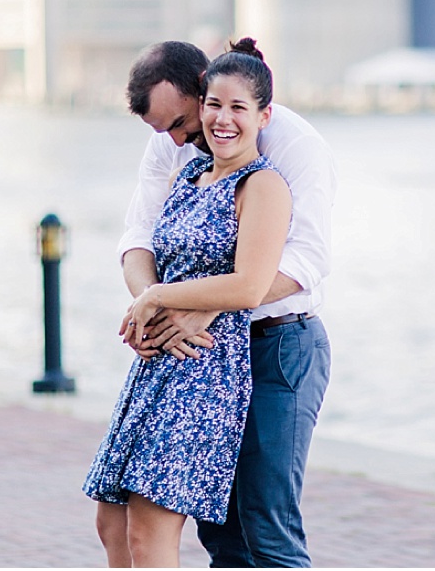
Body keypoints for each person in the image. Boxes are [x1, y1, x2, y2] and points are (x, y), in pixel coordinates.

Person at [113, 40, 335, 567]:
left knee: (265, 525)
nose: (175, 139)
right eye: (162, 130)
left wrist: (207, 305)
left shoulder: (293, 145)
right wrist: (154, 311)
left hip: (276, 345)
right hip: (207, 357)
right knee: (220, 531)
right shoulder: (174, 141)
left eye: (178, 122)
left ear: (202, 86)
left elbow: (306, 259)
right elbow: (139, 236)